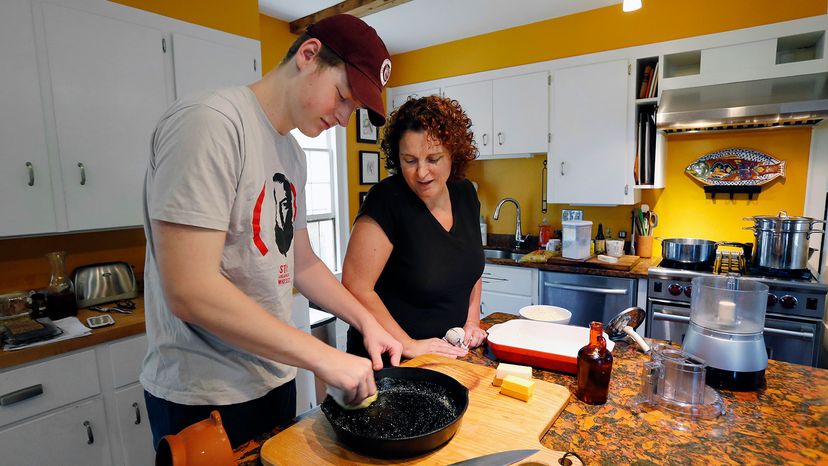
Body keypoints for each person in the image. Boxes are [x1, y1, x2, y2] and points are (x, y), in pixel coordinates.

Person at [140, 14, 402, 449]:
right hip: (204, 396)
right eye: (342, 96)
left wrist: (366, 321)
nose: (342, 117)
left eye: (352, 109)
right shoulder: (211, 124)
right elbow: (189, 289)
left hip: (273, 380)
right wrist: (322, 356)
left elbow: (303, 264)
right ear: (308, 54)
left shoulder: (292, 155)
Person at [342, 95, 487, 360]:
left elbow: (471, 266)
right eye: (410, 160)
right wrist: (408, 344)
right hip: (388, 360)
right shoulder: (386, 201)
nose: (421, 173)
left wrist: (472, 320)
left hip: (444, 356)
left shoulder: (465, 193)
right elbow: (356, 286)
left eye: (433, 159)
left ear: (453, 153)